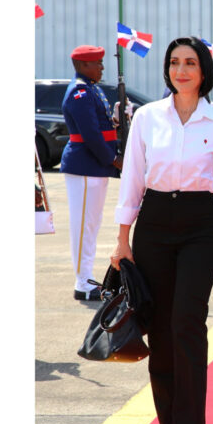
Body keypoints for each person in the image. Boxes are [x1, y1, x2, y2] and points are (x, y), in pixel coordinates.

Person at [111, 36, 213, 424]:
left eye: (190, 62)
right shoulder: (147, 118)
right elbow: (133, 177)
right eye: (174, 62)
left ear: (204, 71)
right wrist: (122, 238)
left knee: (187, 321)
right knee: (160, 325)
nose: (181, 70)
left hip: (199, 227)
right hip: (153, 223)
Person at [60, 45, 122, 301]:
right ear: (84, 66)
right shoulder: (80, 92)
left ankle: (85, 277)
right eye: (97, 63)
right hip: (86, 166)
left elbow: (102, 126)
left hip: (93, 167)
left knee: (91, 225)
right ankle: (83, 283)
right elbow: (91, 135)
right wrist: (114, 159)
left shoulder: (89, 89)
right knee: (84, 227)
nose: (102, 67)